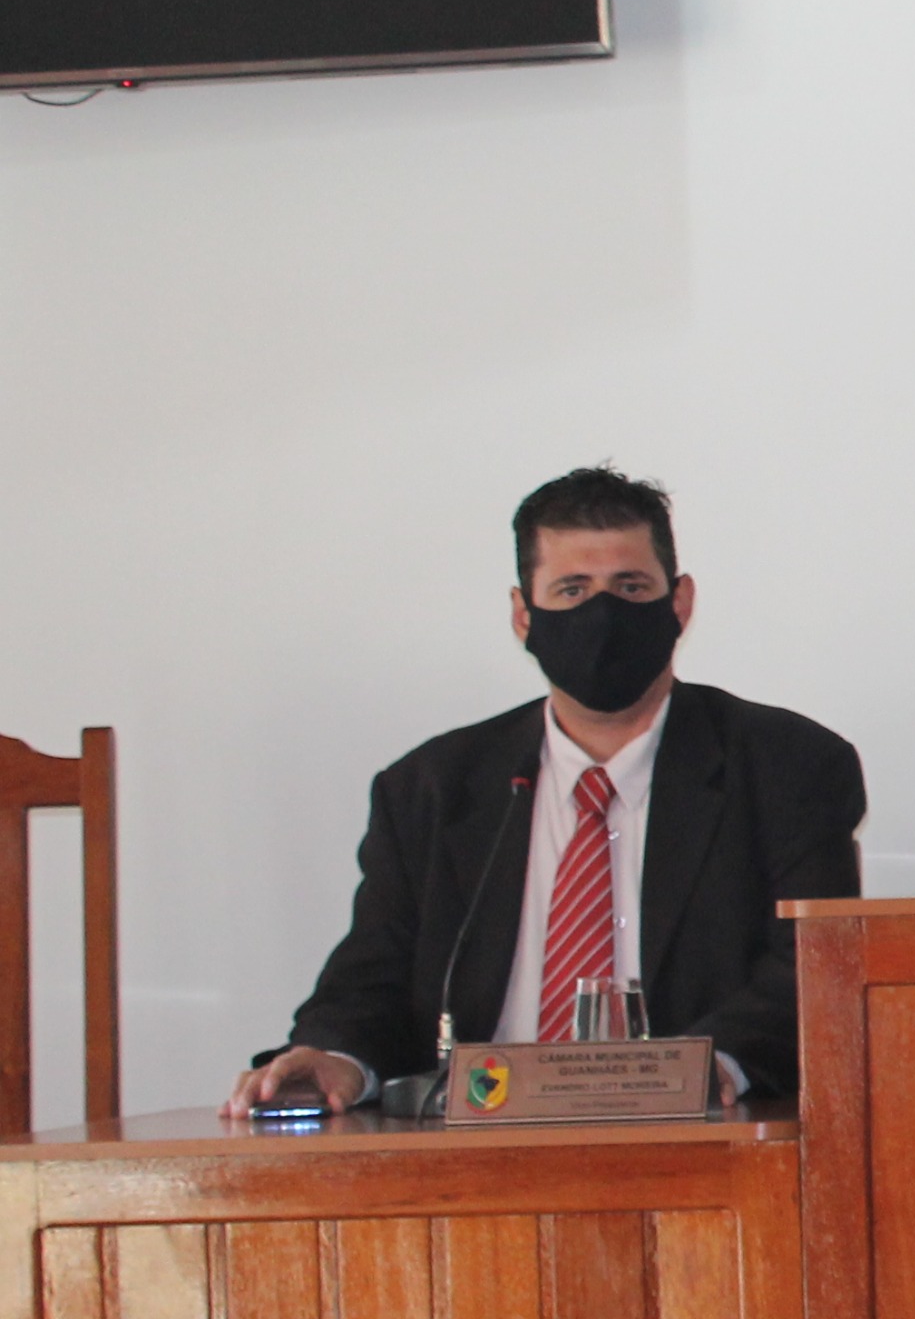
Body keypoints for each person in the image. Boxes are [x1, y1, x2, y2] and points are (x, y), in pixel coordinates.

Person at [226, 468, 867, 1117]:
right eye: (572, 590)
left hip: (699, 1135)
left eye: (630, 587)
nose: (603, 614)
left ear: (679, 603)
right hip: (479, 1140)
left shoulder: (789, 768)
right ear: (523, 615)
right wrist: (333, 1056)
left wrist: (713, 1068)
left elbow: (811, 969)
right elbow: (375, 975)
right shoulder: (432, 788)